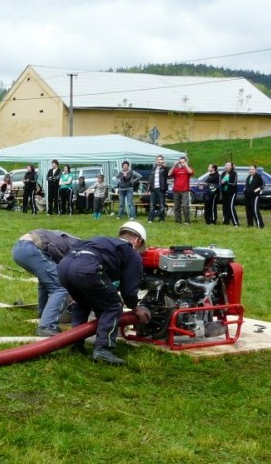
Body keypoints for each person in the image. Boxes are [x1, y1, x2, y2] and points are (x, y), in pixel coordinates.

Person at [57, 221, 150, 366]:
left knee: (82, 303)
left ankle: (76, 345)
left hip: (64, 266)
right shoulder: (130, 251)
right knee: (113, 306)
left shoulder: (103, 241)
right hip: (86, 268)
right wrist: (135, 307)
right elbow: (129, 289)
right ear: (138, 241)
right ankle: (103, 349)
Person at [11, 229, 79, 337]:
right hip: (31, 248)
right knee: (61, 287)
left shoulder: (82, 247)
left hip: (20, 247)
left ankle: (44, 316)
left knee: (47, 282)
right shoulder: (84, 254)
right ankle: (47, 326)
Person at [145, 155, 170, 223]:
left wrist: (165, 166)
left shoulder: (164, 168)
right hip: (153, 189)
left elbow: (168, 174)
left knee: (161, 205)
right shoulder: (153, 168)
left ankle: (161, 219)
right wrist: (148, 189)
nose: (159, 161)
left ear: (162, 160)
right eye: (158, 159)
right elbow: (150, 179)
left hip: (161, 188)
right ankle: (150, 219)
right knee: (152, 205)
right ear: (156, 161)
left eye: (160, 159)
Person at [170, 156, 193, 224]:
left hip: (185, 190)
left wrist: (186, 165)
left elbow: (191, 172)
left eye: (183, 162)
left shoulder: (187, 169)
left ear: (185, 162)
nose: (182, 163)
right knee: (177, 207)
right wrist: (174, 165)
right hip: (176, 190)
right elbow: (169, 173)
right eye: (180, 162)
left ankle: (187, 221)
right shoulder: (176, 169)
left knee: (185, 206)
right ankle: (178, 221)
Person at [220, 162, 239, 226]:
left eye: (228, 165)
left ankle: (236, 223)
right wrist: (221, 182)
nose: (226, 166)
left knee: (231, 207)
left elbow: (234, 183)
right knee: (225, 207)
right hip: (225, 192)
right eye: (225, 165)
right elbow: (220, 182)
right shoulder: (223, 174)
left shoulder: (234, 173)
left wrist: (226, 182)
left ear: (231, 167)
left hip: (232, 192)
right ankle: (226, 221)